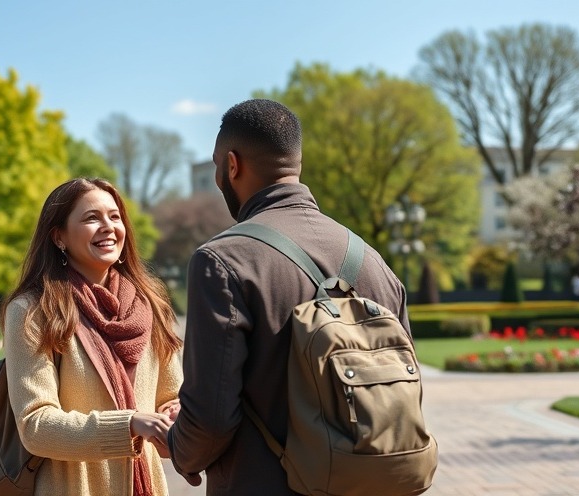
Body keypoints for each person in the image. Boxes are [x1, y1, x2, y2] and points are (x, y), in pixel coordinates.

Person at [166, 99, 412, 495]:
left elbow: (211, 420)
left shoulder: (222, 261)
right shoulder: (375, 263)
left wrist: (179, 448)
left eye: (216, 166)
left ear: (232, 165)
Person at [0, 177, 183, 496]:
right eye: (91, 218)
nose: (109, 226)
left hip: (147, 486)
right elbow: (36, 425)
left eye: (115, 216)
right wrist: (130, 424)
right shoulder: (33, 311)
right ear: (59, 237)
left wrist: (174, 414)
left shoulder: (151, 304)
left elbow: (171, 396)